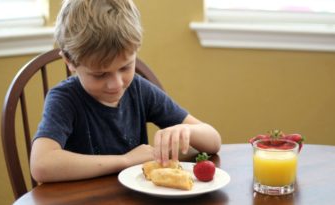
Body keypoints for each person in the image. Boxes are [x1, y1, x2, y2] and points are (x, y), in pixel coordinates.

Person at [30, 0, 221, 183]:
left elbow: (213, 140)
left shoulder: (139, 89)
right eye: (100, 74)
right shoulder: (64, 100)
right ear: (70, 62)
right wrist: (125, 160)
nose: (116, 84)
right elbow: (41, 165)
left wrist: (184, 129)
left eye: (125, 67)